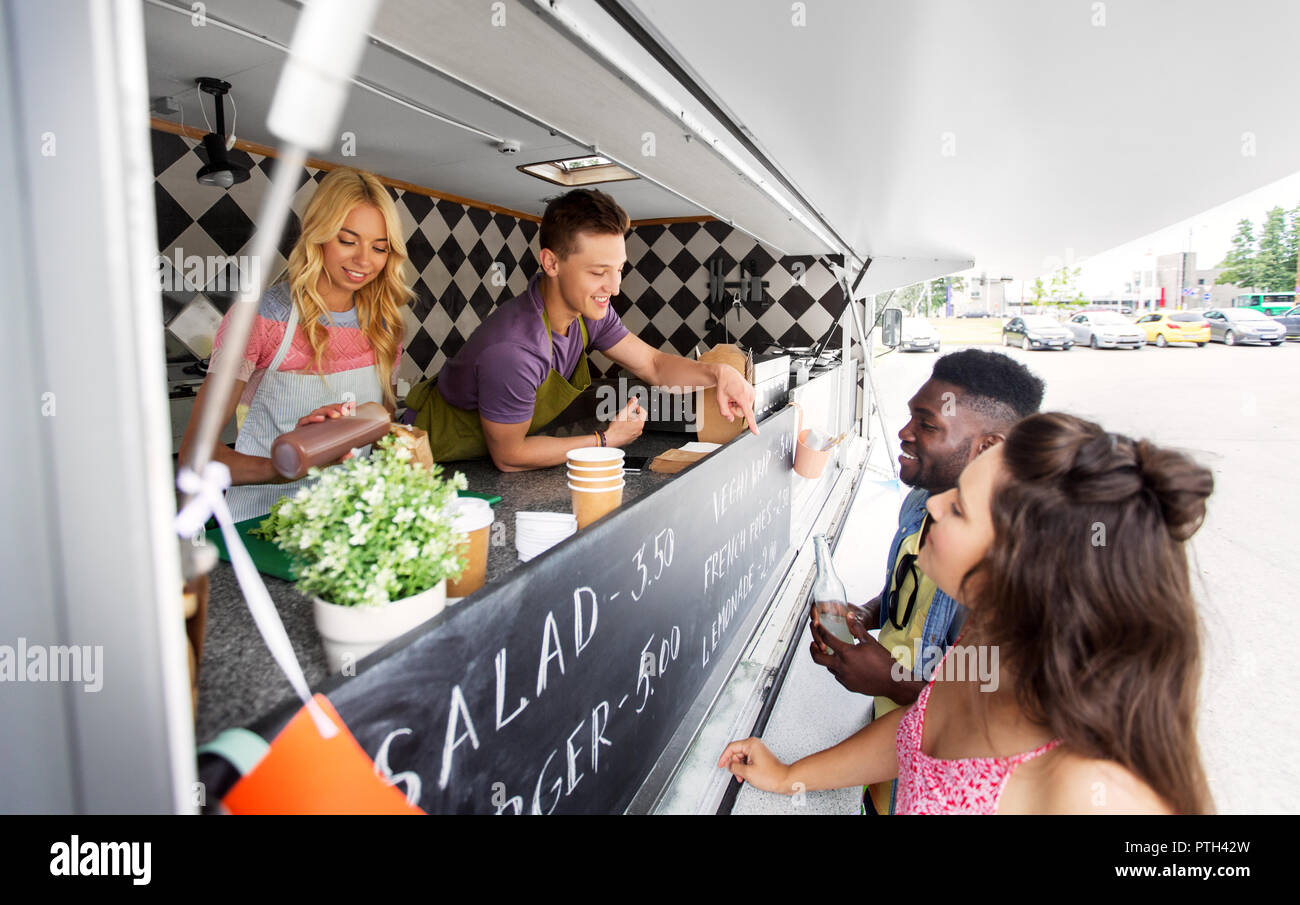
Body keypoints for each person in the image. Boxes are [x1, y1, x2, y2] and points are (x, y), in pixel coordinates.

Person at [721, 412, 1215, 814]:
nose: (935, 507)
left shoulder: (1092, 788)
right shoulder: (984, 641)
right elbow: (920, 734)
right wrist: (791, 777)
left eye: (958, 509)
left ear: (1021, 566)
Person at [810, 349, 1044, 814]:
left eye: (927, 424)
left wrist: (894, 682)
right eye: (909, 416)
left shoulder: (1017, 568)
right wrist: (867, 615)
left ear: (989, 447)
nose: (904, 433)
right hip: (883, 749)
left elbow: (995, 714)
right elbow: (905, 588)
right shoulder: (923, 500)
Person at [403, 189, 757, 470]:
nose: (614, 287)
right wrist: (605, 440)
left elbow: (653, 365)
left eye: (619, 269)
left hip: (477, 460)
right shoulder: (514, 350)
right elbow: (511, 457)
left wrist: (718, 373)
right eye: (598, 272)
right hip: (423, 460)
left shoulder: (591, 315)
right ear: (551, 262)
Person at [178, 167, 413, 521]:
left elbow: (378, 430)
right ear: (317, 236)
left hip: (352, 521)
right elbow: (196, 458)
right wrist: (286, 465)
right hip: (266, 521)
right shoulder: (261, 320)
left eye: (379, 247)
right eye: (347, 241)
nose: (365, 260)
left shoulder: (384, 327)